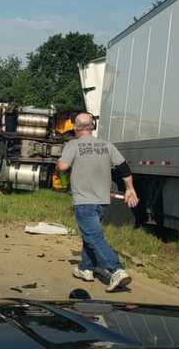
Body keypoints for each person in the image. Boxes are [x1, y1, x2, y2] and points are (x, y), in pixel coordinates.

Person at [56, 112, 139, 292]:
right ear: (92, 127)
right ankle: (86, 268)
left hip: (84, 200)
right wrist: (130, 188)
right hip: (103, 201)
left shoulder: (73, 145)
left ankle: (116, 270)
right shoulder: (106, 145)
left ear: (76, 128)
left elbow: (63, 167)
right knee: (90, 234)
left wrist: (59, 165)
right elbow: (123, 167)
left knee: (93, 236)